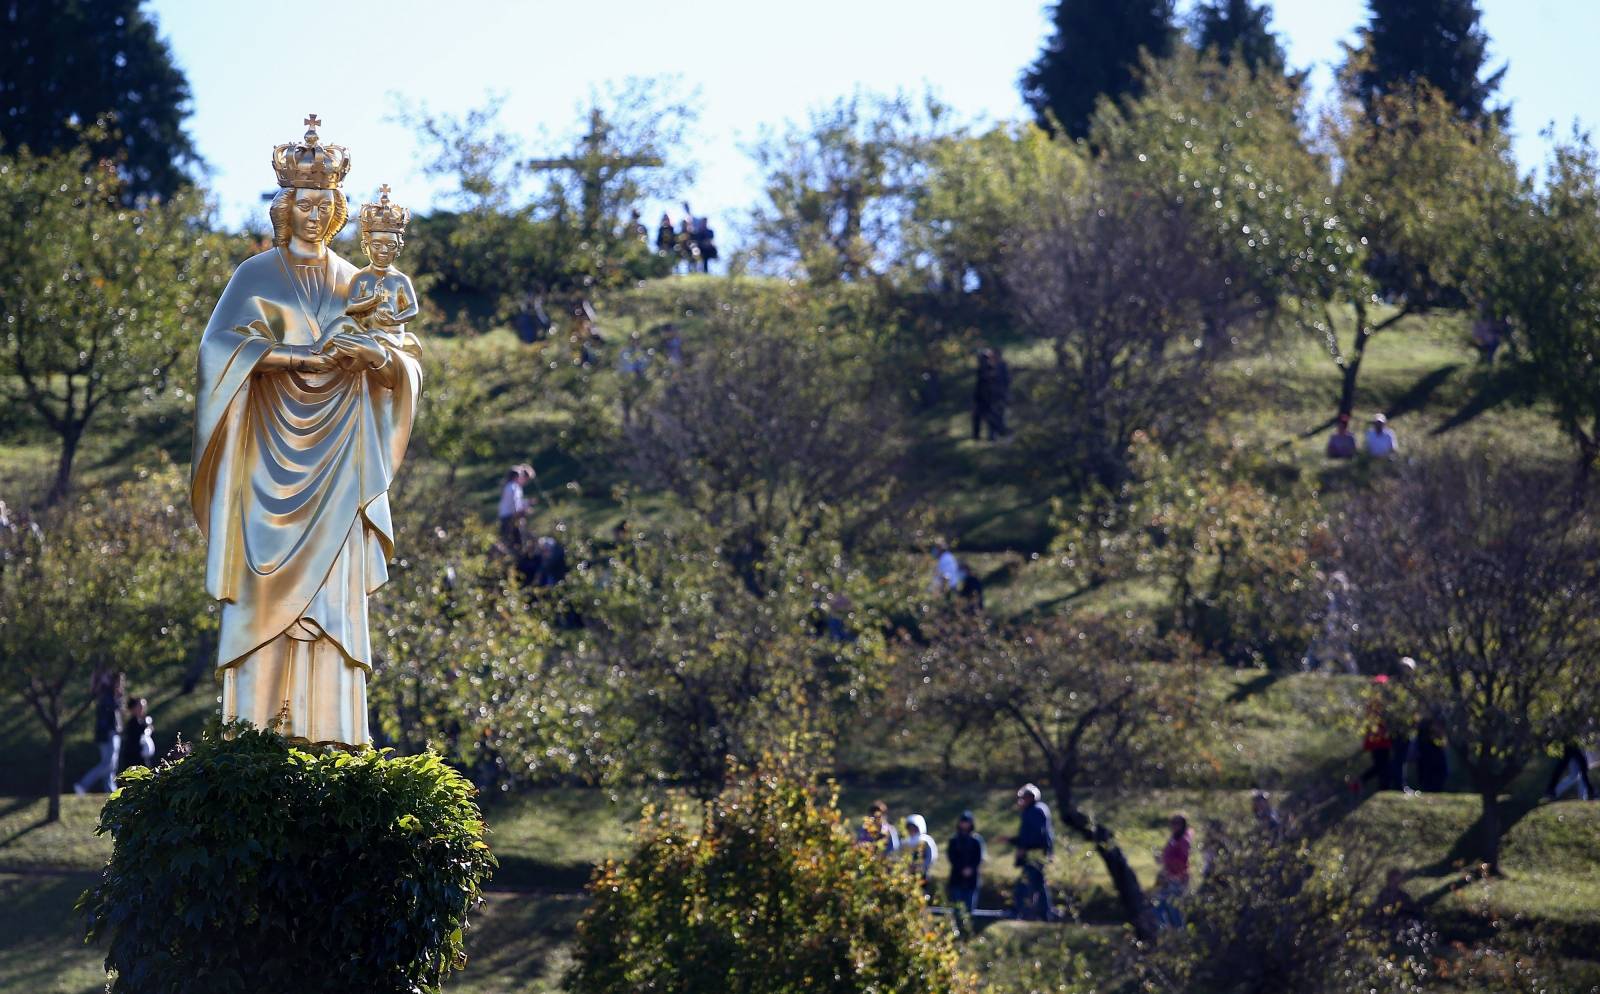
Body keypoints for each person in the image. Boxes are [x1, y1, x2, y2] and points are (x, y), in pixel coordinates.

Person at [74, 671, 125, 795]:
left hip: (115, 731)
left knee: (112, 764)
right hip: (107, 732)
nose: (121, 684)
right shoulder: (106, 695)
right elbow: (109, 710)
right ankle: (83, 784)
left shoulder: (115, 695)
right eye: (119, 681)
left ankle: (110, 790)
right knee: (108, 763)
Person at [1009, 783, 1054, 920]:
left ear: (1029, 797)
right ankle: (1042, 914)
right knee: (1037, 884)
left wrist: (1023, 848)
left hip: (1035, 854)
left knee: (1027, 884)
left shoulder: (1034, 811)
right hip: (1039, 853)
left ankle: (1022, 912)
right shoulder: (1039, 809)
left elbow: (1033, 835)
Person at [1153, 813, 1192, 929]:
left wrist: (1177, 875)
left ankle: (1180, 934)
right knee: (1159, 905)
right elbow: (1168, 858)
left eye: (1177, 823)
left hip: (1178, 879)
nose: (1174, 826)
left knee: (1173, 907)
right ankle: (1165, 932)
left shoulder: (1184, 840)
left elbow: (1184, 860)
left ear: (1183, 825)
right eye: (1172, 823)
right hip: (1168, 878)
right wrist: (1161, 859)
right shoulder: (1173, 839)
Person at [946, 811, 986, 920]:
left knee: (969, 910)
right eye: (963, 822)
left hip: (972, 880)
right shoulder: (954, 840)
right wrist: (961, 869)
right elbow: (952, 857)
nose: (964, 824)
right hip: (956, 878)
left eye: (967, 822)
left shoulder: (976, 840)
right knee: (957, 909)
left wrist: (971, 869)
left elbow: (979, 858)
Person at [117, 697, 156, 776]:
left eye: (144, 706)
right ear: (133, 708)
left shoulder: (141, 721)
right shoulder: (133, 722)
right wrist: (147, 726)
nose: (143, 708)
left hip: (140, 755)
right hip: (134, 756)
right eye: (140, 706)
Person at [497, 465, 533, 548]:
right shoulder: (513, 487)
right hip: (510, 517)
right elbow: (515, 504)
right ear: (516, 476)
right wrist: (522, 511)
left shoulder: (511, 486)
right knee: (515, 541)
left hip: (507, 516)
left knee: (510, 539)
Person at [1410, 719, 1449, 793]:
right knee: (1427, 776)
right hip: (1426, 754)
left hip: (1435, 754)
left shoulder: (1437, 717)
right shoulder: (1423, 729)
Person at [902, 814, 938, 890]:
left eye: (914, 828)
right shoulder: (905, 842)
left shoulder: (925, 841)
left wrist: (921, 867)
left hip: (923, 874)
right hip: (908, 874)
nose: (911, 830)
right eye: (909, 828)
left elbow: (930, 857)